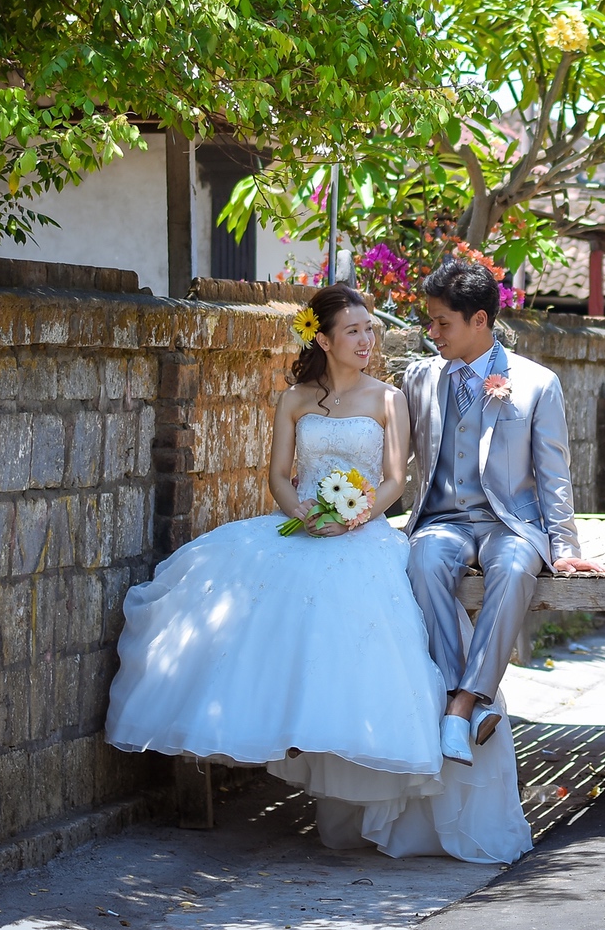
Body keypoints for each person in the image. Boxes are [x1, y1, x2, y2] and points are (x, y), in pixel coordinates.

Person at [105, 284, 531, 864]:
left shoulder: (390, 398)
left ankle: (382, 781)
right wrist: (304, 513)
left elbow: (395, 480)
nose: (367, 339)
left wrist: (356, 515)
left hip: (364, 533)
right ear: (324, 340)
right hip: (301, 526)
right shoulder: (295, 399)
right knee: (236, 605)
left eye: (370, 329)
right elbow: (279, 476)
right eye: (353, 331)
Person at [403, 258, 605, 766]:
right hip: (443, 520)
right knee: (422, 559)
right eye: (430, 321)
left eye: (442, 322)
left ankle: (463, 702)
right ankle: (460, 698)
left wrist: (566, 547)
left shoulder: (537, 382)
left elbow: (554, 472)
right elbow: (392, 451)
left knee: (515, 567)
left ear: (479, 320)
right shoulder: (419, 378)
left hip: (510, 523)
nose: (432, 333)